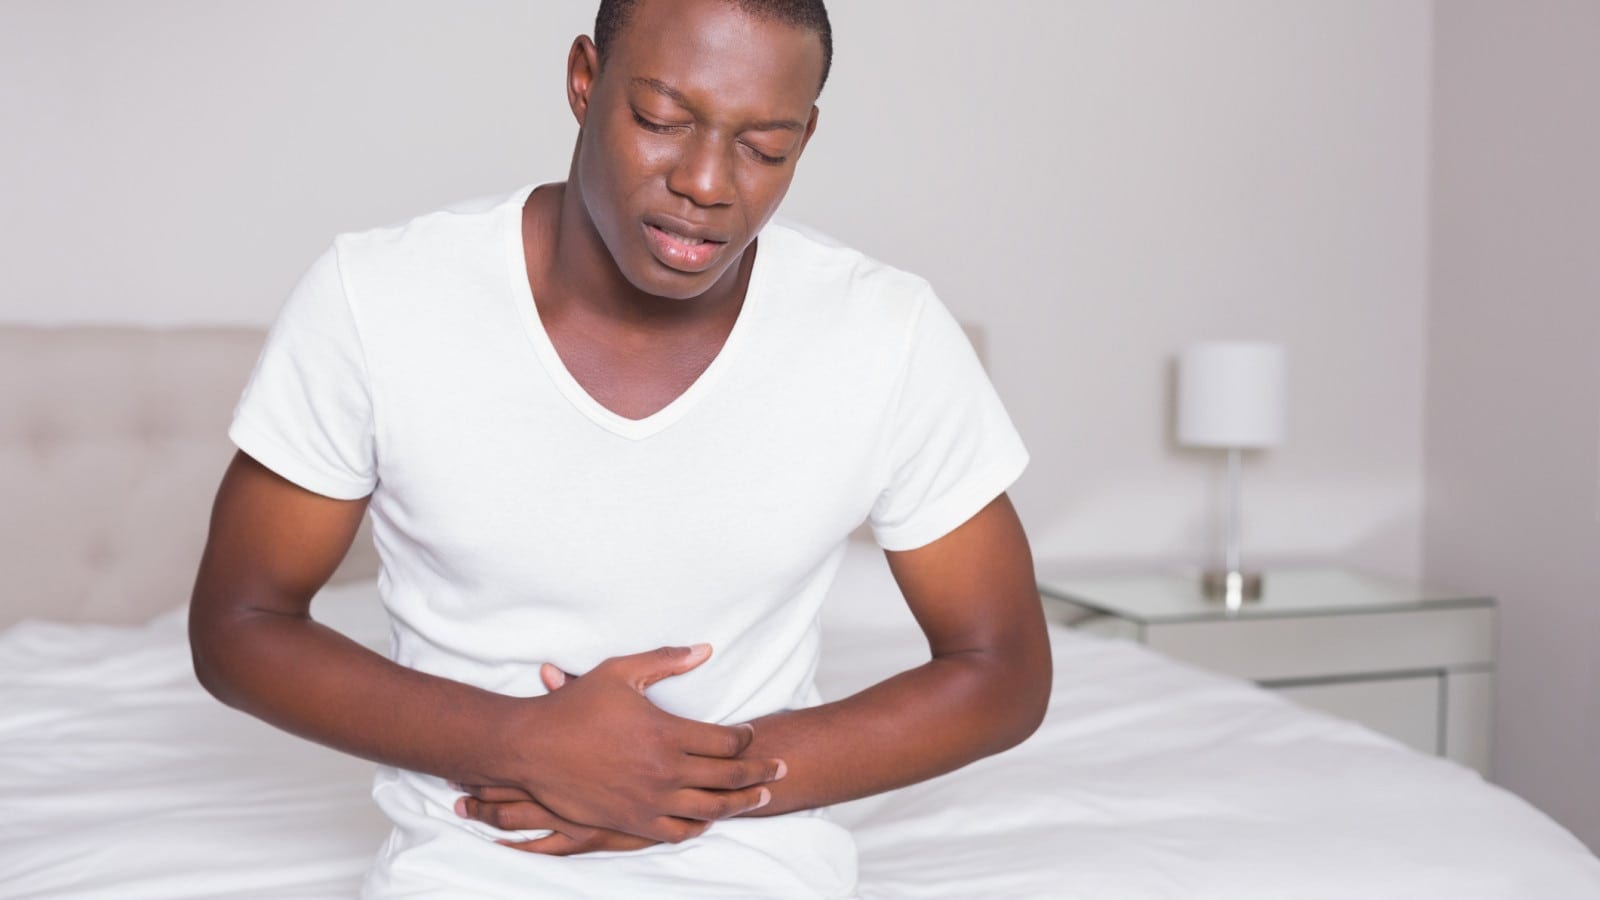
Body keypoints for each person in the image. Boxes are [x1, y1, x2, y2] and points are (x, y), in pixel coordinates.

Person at [188, 0, 1052, 896]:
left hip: (759, 864)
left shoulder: (885, 332)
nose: (709, 182)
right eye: (663, 121)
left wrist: (692, 783)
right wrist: (519, 743)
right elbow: (240, 625)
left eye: (765, 146)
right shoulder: (378, 301)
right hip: (469, 864)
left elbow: (1004, 668)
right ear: (584, 82)